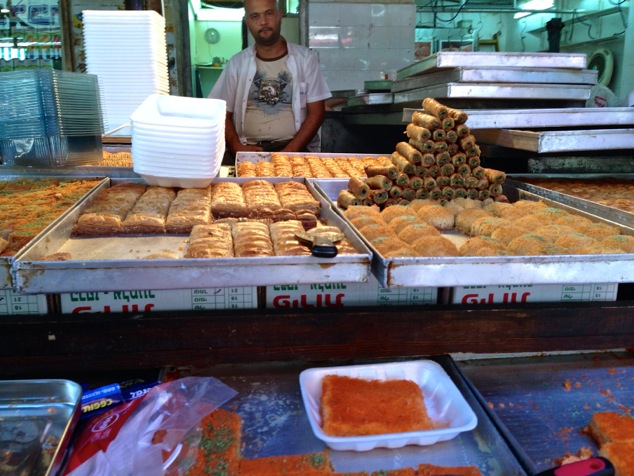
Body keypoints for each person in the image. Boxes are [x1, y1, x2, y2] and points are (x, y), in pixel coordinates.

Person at [209, 0, 331, 158]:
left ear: (279, 15)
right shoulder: (237, 63)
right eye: (255, 16)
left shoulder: (305, 59)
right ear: (247, 22)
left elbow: (317, 113)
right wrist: (236, 147)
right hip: (247, 149)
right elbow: (221, 113)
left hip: (294, 149)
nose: (263, 22)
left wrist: (289, 152)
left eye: (269, 13)